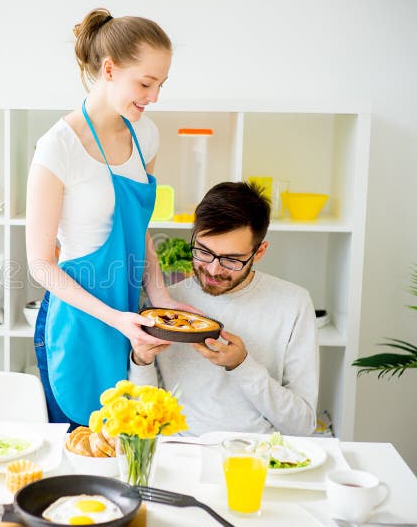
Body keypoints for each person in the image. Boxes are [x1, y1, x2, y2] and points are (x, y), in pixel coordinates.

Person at [26, 8, 193, 428]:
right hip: (77, 315)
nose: (153, 96)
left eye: (161, 85)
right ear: (109, 69)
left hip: (129, 309)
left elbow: (138, 232)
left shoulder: (146, 135)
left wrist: (161, 298)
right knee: (80, 446)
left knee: (129, 445)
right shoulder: (57, 148)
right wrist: (116, 319)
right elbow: (40, 264)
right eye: (145, 82)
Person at [129, 182, 319, 436]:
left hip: (258, 455)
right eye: (204, 252)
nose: (213, 270)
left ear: (259, 251)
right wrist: (141, 361)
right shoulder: (166, 304)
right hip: (179, 451)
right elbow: (144, 417)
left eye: (231, 260)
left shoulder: (294, 303)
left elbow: (302, 425)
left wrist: (242, 365)